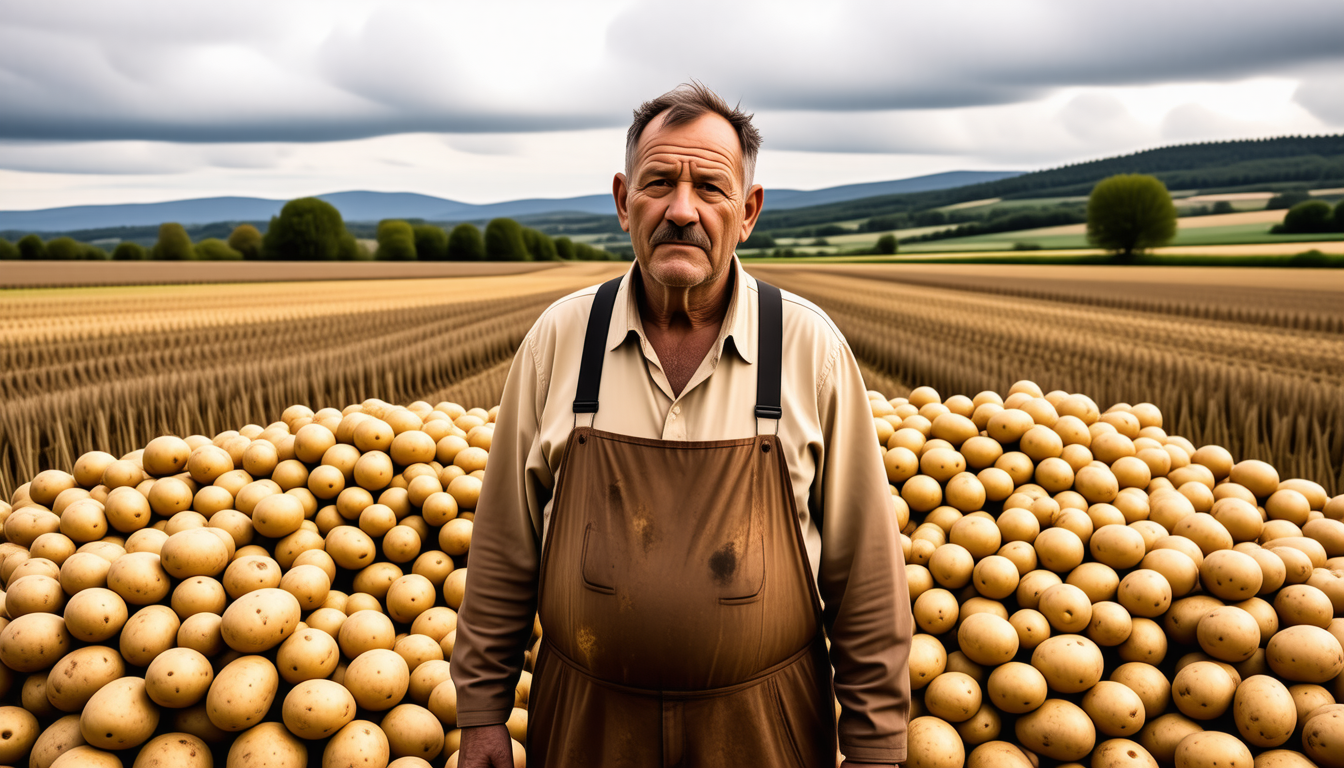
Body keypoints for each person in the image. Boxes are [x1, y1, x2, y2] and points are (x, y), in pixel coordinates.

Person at [451, 82, 911, 767]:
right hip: (585, 729)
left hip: (765, 732)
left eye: (711, 188)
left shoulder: (809, 349)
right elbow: (503, 547)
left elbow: (864, 570)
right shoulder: (559, 341)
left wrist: (875, 747)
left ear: (748, 211)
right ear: (622, 200)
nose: (682, 210)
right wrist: (483, 714)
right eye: (659, 182)